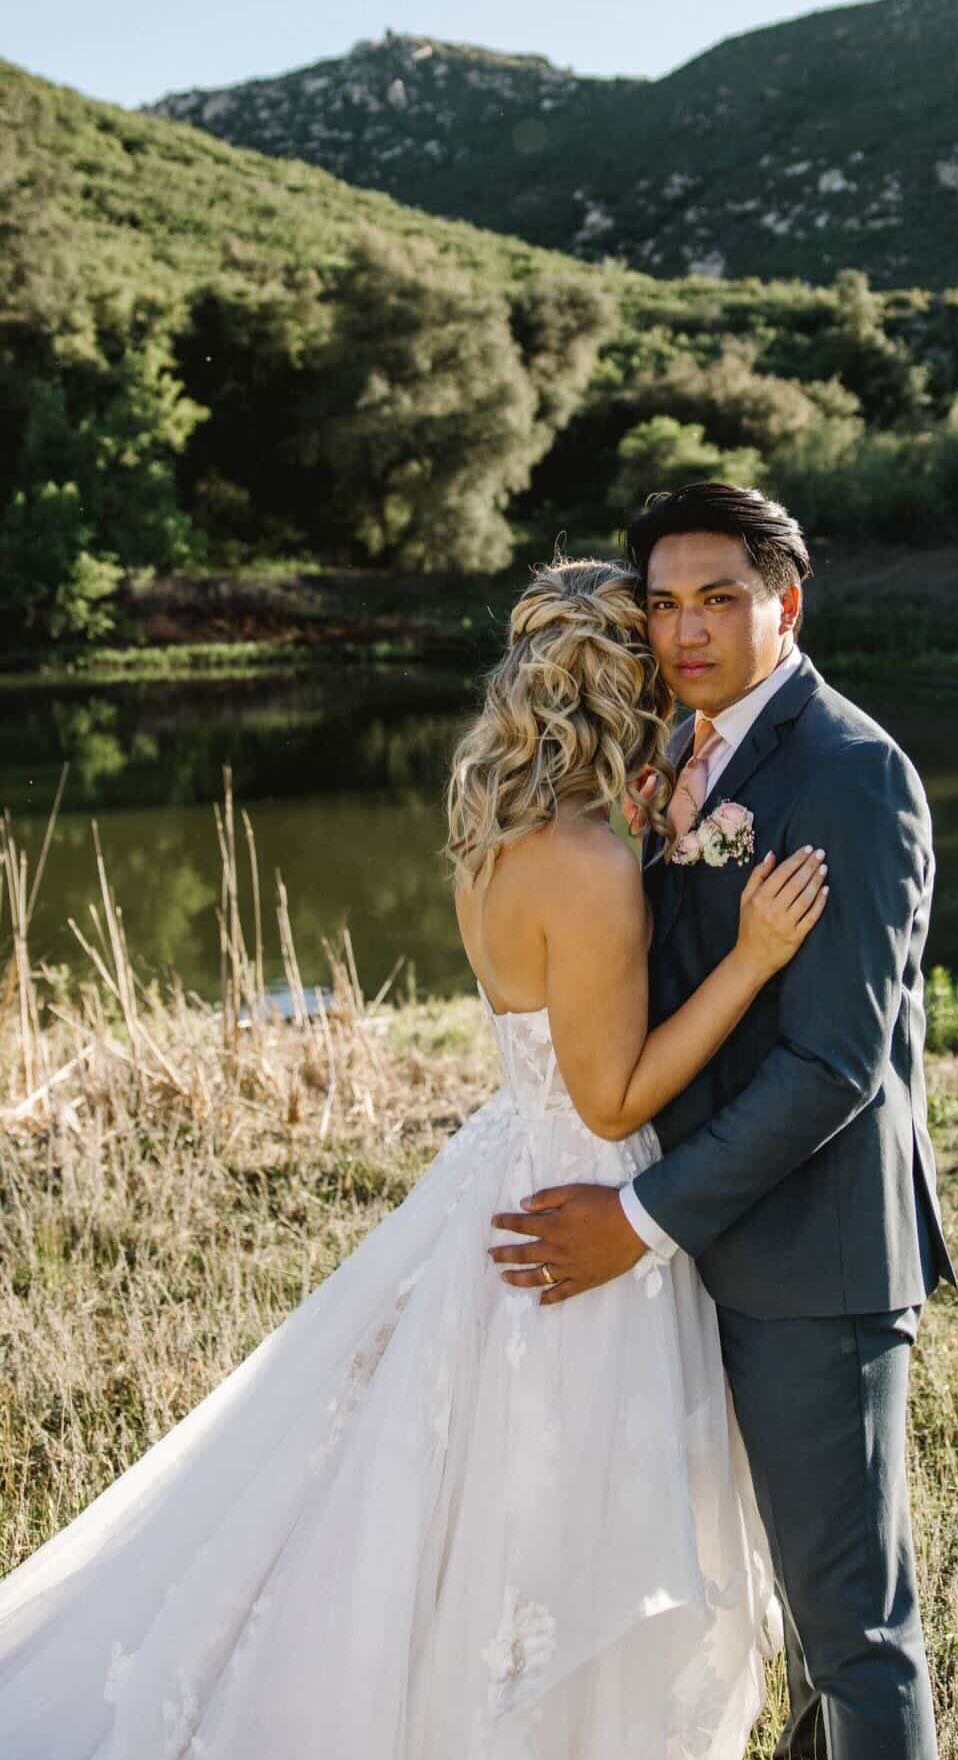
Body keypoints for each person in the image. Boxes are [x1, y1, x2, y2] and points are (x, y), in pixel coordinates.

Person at [0, 556, 829, 1758]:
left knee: (440, 1499)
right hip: (577, 1201)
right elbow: (610, 1099)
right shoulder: (591, 866)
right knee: (550, 1519)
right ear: (627, 689)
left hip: (499, 1164)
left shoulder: (495, 830)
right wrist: (751, 956)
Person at [490, 483, 958, 1760]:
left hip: (813, 1260)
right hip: (709, 1251)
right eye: (663, 602)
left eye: (720, 598)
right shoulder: (674, 754)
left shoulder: (851, 774)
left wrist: (639, 1218)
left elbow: (835, 1065)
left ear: (786, 603)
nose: (686, 630)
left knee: (855, 1635)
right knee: (795, 1618)